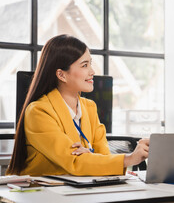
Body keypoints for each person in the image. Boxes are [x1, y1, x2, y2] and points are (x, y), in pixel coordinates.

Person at [7, 34, 149, 176]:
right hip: (43, 192)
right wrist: (129, 158)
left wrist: (90, 157)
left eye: (90, 64)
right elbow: (74, 162)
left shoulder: (90, 107)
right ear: (62, 75)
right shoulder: (38, 111)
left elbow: (104, 156)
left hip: (81, 190)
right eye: (84, 65)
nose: (92, 72)